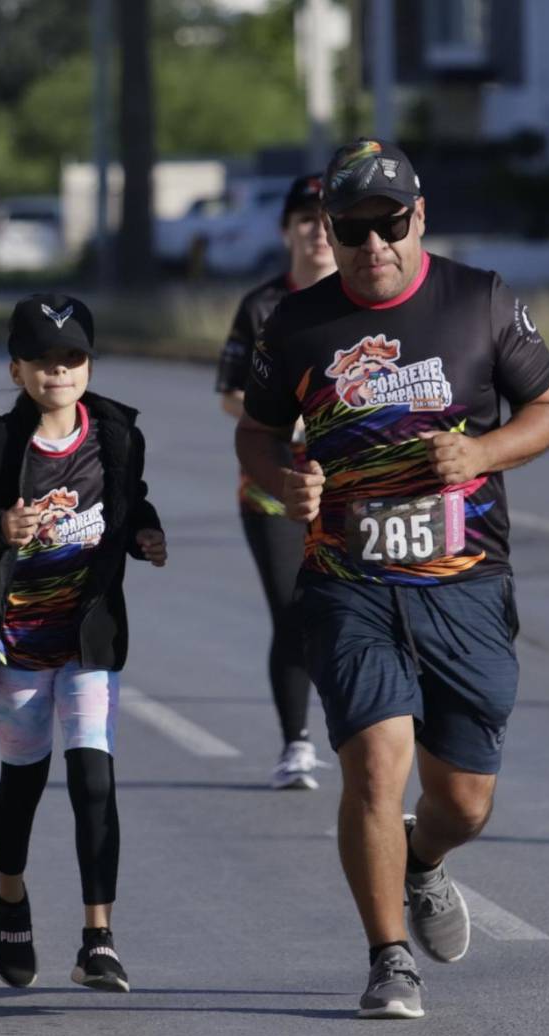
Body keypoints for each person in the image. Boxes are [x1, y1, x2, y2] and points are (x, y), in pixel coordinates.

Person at [238, 138, 549, 1020]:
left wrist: (483, 450)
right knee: (375, 768)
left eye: (390, 224)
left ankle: (424, 857)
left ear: (419, 216)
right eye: (353, 229)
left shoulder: (481, 301)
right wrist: (285, 477)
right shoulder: (297, 324)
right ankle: (389, 959)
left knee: (463, 800)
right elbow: (260, 433)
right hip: (349, 580)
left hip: (464, 582)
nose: (373, 244)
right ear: (331, 232)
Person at [0, 293, 166, 994]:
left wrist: (146, 532)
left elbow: (130, 497)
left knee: (94, 775)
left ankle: (99, 938)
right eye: (42, 360)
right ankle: (9, 893)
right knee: (25, 781)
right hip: (17, 643)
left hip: (87, 639)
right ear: (16, 368)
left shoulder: (118, 434)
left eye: (72, 358)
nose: (58, 372)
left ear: (89, 364)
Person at [216, 174, 334, 790]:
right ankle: (297, 743)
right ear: (287, 230)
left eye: (325, 218)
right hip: (272, 486)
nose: (318, 230)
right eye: (305, 219)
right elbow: (231, 395)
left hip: (350, 485)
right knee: (293, 613)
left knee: (349, 615)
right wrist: (289, 419)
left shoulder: (357, 302)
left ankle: (365, 728)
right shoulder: (262, 306)